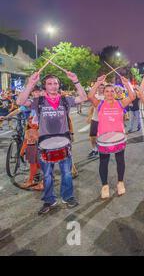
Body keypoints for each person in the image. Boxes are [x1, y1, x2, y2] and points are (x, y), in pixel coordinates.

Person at [17, 71, 87, 215]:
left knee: (66, 173)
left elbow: (83, 97)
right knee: (47, 175)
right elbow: (20, 102)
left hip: (64, 143)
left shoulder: (65, 100)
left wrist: (76, 80)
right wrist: (30, 83)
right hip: (45, 144)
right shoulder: (39, 102)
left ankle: (68, 197)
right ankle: (49, 200)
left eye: (55, 83)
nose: (53, 86)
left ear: (59, 85)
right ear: (45, 86)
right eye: (50, 83)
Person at [88, 75, 135, 199]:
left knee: (120, 161)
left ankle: (120, 182)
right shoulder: (99, 104)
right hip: (104, 140)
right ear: (103, 93)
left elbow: (132, 96)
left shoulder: (120, 103)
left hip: (119, 139)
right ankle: (105, 186)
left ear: (115, 92)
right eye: (107, 91)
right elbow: (90, 96)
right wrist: (98, 83)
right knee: (104, 162)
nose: (109, 93)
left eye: (111, 91)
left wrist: (127, 83)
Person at [19, 116, 44, 190]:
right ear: (28, 124)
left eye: (34, 122)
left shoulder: (40, 130)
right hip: (31, 149)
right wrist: (22, 151)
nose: (32, 123)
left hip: (37, 149)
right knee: (36, 165)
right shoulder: (28, 131)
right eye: (30, 122)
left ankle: (31, 181)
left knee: (35, 166)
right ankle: (36, 181)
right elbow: (25, 142)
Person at [86, 83, 105, 158]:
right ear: (97, 88)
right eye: (100, 88)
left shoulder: (106, 96)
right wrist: (89, 116)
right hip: (95, 119)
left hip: (103, 121)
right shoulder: (95, 96)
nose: (101, 89)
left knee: (102, 137)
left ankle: (102, 149)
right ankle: (94, 149)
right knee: (92, 136)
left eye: (103, 88)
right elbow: (92, 107)